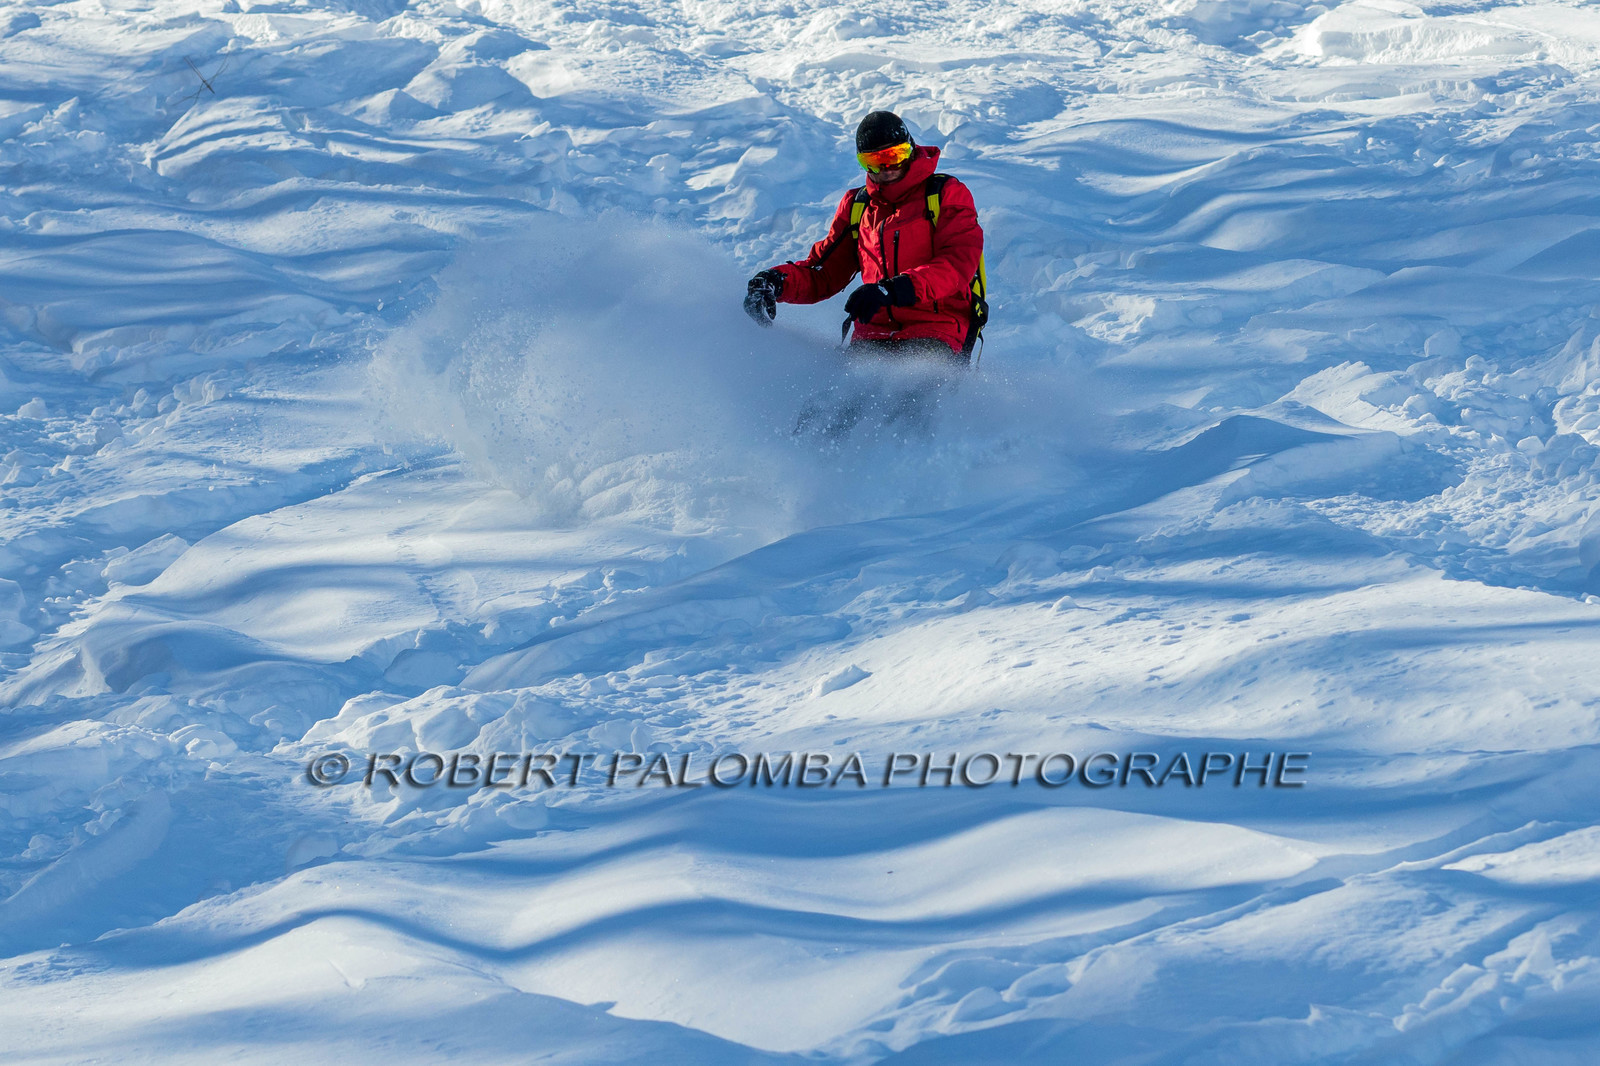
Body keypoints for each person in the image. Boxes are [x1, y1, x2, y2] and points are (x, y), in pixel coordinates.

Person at [744, 111, 986, 361]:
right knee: (829, 399)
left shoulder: (945, 195)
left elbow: (956, 266)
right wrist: (777, 281)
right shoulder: (858, 207)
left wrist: (895, 289)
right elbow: (824, 274)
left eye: (895, 156)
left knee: (906, 393)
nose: (887, 168)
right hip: (872, 338)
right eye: (874, 161)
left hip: (936, 331)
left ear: (911, 149)